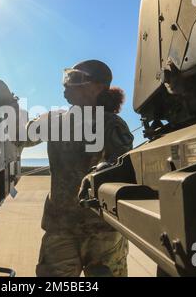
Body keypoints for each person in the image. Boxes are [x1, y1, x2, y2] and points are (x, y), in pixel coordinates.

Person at [19, 60, 134, 277]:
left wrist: (102, 170)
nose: (66, 85)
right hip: (61, 228)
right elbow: (22, 136)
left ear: (98, 87)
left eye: (75, 79)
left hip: (102, 231)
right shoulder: (55, 121)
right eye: (66, 79)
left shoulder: (111, 124)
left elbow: (123, 164)